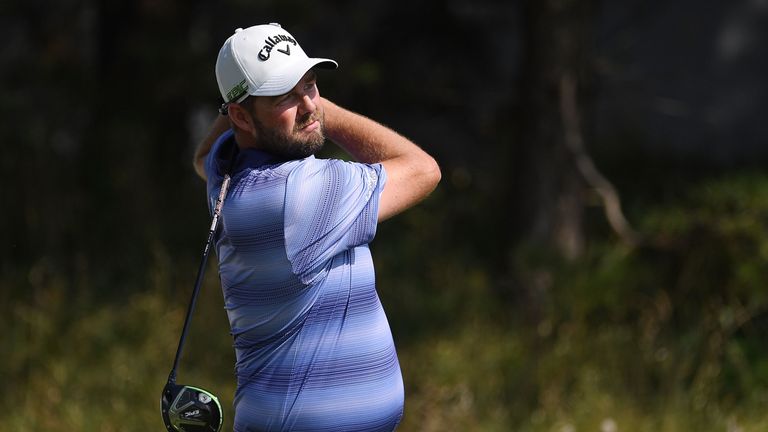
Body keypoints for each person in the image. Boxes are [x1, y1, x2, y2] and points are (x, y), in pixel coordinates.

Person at [193, 23, 440, 432]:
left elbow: (201, 156)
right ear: (240, 116)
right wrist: (324, 111)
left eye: (310, 85)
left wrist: (251, 103)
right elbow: (423, 170)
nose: (308, 105)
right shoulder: (296, 195)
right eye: (285, 95)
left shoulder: (225, 170)